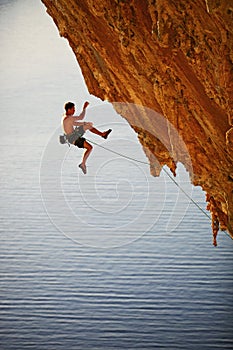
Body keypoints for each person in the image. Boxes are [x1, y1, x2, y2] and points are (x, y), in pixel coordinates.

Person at [62, 101, 112, 174]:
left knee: (88, 127)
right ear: (69, 110)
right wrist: (84, 108)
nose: (74, 110)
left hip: (73, 136)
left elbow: (74, 123)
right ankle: (83, 164)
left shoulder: (65, 117)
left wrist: (85, 124)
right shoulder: (69, 118)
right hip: (74, 138)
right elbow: (81, 117)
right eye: (73, 109)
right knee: (89, 147)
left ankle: (103, 134)